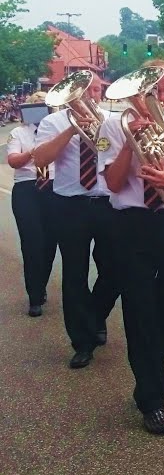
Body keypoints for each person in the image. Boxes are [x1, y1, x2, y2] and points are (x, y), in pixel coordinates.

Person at [98, 62, 164, 434]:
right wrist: (131, 143)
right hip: (133, 224)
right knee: (140, 310)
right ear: (133, 94)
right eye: (153, 93)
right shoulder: (111, 127)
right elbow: (112, 183)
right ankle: (152, 399)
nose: (160, 100)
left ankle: (147, 364)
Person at [33, 74, 120, 368]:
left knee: (115, 269)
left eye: (94, 90)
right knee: (74, 274)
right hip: (70, 205)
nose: (89, 96)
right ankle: (82, 341)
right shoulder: (52, 122)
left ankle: (94, 315)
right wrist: (70, 131)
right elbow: (41, 159)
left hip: (108, 202)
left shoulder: (110, 117)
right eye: (83, 91)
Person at [6, 93, 58, 316]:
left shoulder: (56, 132)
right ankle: (34, 296)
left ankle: (41, 285)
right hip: (27, 188)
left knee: (50, 243)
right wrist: (34, 151)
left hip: (53, 186)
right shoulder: (18, 132)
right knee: (31, 243)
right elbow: (13, 161)